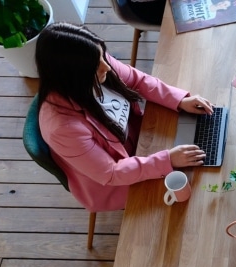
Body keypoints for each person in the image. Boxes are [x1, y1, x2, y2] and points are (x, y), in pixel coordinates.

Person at [36, 22, 213, 212]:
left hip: (140, 140)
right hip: (114, 182)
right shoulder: (62, 128)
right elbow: (111, 173)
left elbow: (138, 80)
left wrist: (179, 100)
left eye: (103, 56)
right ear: (73, 76)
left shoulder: (93, 61)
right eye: (97, 65)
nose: (108, 67)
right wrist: (167, 160)